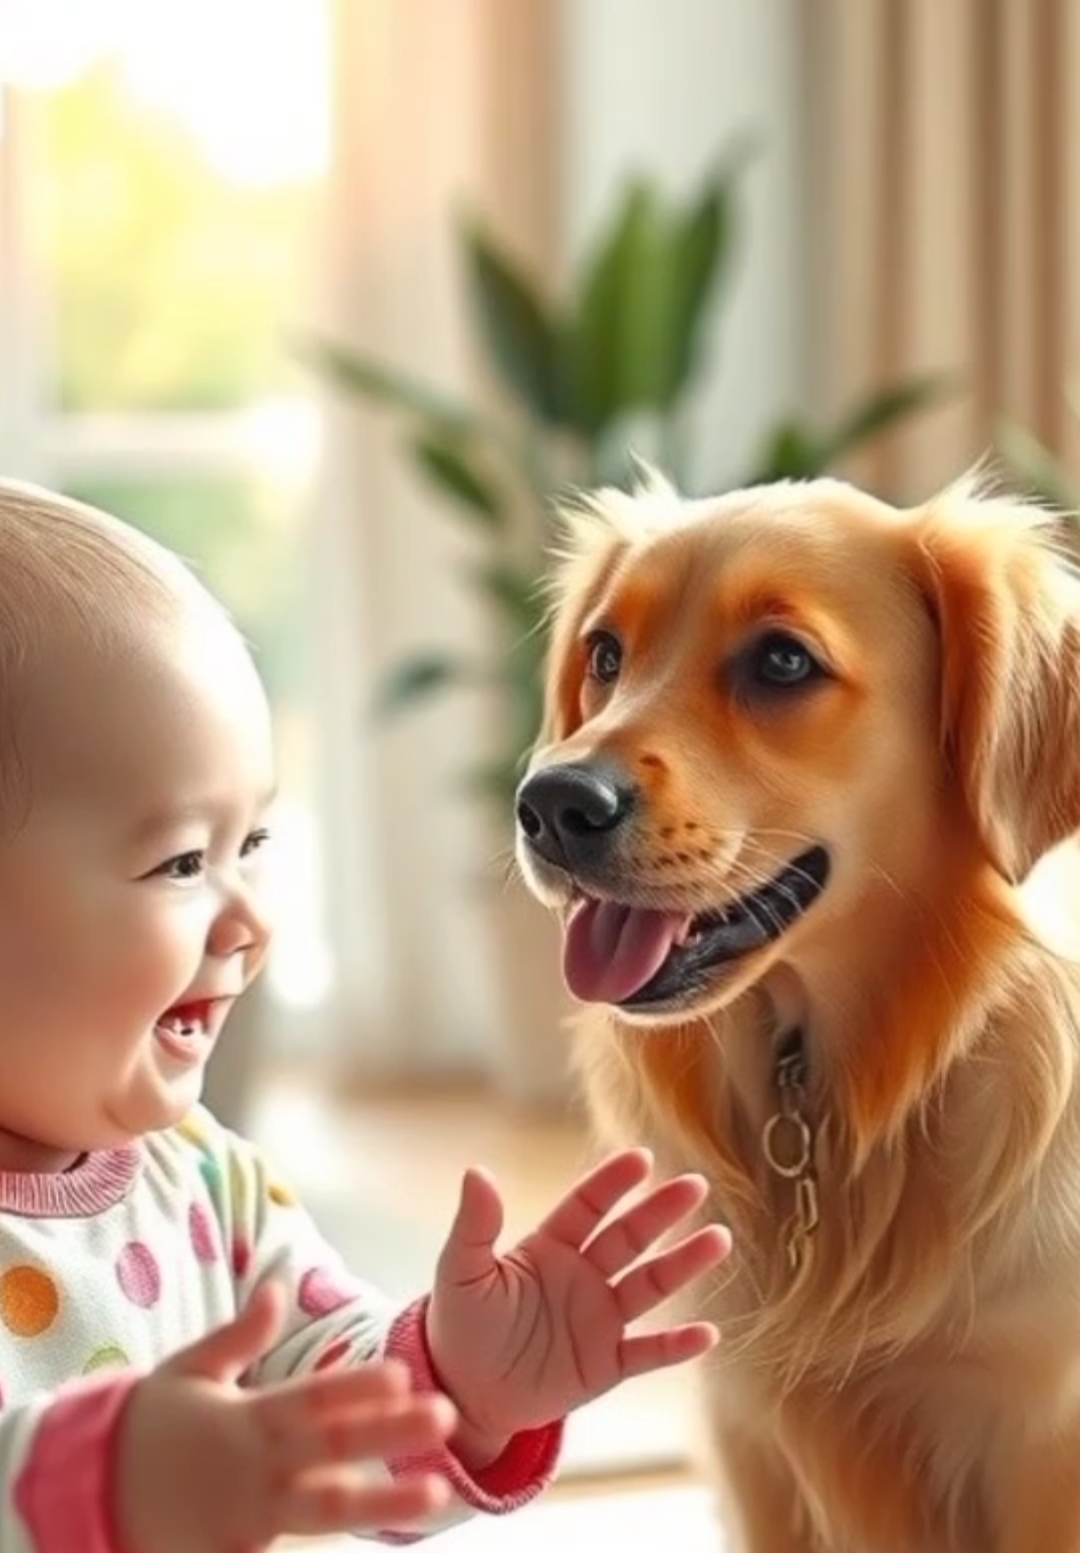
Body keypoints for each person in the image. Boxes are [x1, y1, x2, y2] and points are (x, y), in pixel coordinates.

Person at [0, 481, 732, 1553]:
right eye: (178, 861)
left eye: (251, 843)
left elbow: (328, 1423)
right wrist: (96, 1485)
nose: (249, 917)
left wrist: (456, 1385)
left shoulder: (210, 1181)